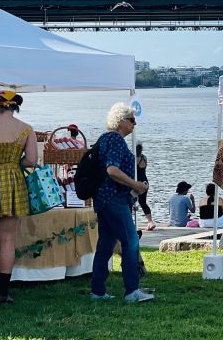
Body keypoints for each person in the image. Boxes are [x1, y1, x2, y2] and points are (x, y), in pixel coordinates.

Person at [90, 103, 153, 303]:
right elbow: (112, 170)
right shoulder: (116, 140)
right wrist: (136, 184)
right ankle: (132, 290)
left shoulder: (105, 139)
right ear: (120, 121)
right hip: (114, 198)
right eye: (131, 120)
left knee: (106, 245)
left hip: (103, 198)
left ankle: (98, 291)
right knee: (131, 241)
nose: (134, 124)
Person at [0, 91, 37, 303]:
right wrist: (12, 164)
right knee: (7, 239)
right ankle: (3, 292)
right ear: (14, 107)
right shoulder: (26, 129)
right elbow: (31, 161)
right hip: (12, 182)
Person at [135, 143, 156, 231]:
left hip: (137, 183)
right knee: (143, 202)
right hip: (145, 182)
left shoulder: (134, 159)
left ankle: (130, 221)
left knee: (130, 201)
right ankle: (150, 222)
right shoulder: (144, 158)